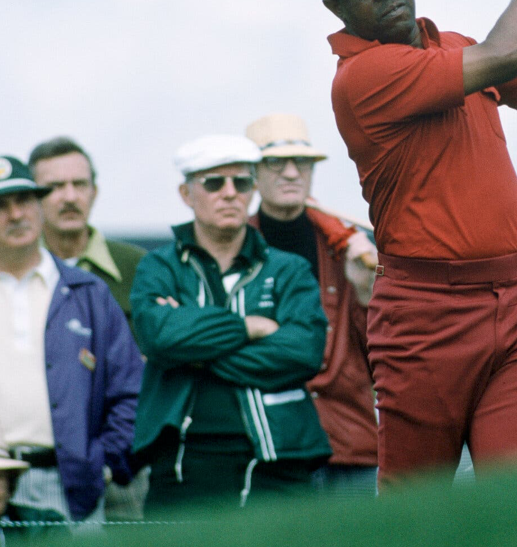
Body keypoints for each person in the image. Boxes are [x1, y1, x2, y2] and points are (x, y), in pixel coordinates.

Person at [307, 0, 517, 486]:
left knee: (513, 501)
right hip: (425, 319)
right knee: (418, 512)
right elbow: (508, 53)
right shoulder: (363, 76)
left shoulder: (456, 48)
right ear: (333, 5)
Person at [130, 135, 332, 516]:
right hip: (182, 462)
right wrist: (250, 328)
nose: (229, 193)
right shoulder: (159, 266)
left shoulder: (288, 269)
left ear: (253, 190)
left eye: (241, 182)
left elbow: (304, 351)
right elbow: (159, 336)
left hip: (281, 459)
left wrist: (194, 351)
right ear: (186, 194)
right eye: (213, 183)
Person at [0, 155, 142, 524]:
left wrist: (104, 463)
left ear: (39, 205)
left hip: (70, 483)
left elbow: (129, 388)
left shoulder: (87, 291)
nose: (15, 215)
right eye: (1, 205)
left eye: (24, 200)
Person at [245, 112, 378, 494]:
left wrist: (366, 291)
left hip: (348, 440)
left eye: (302, 161)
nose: (291, 173)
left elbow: (383, 359)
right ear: (252, 173)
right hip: (269, 444)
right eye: (276, 162)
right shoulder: (233, 248)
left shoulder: (349, 247)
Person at [28, 137, 146, 329]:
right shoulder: (13, 266)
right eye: (55, 186)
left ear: (94, 192)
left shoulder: (139, 266)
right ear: (33, 197)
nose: (70, 197)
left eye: (80, 184)